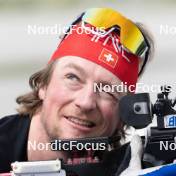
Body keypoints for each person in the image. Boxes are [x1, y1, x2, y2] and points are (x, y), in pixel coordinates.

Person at [0, 8, 154, 175]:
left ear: (123, 118)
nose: (86, 102)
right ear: (43, 85)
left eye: (108, 91)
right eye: (73, 78)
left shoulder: (131, 167)